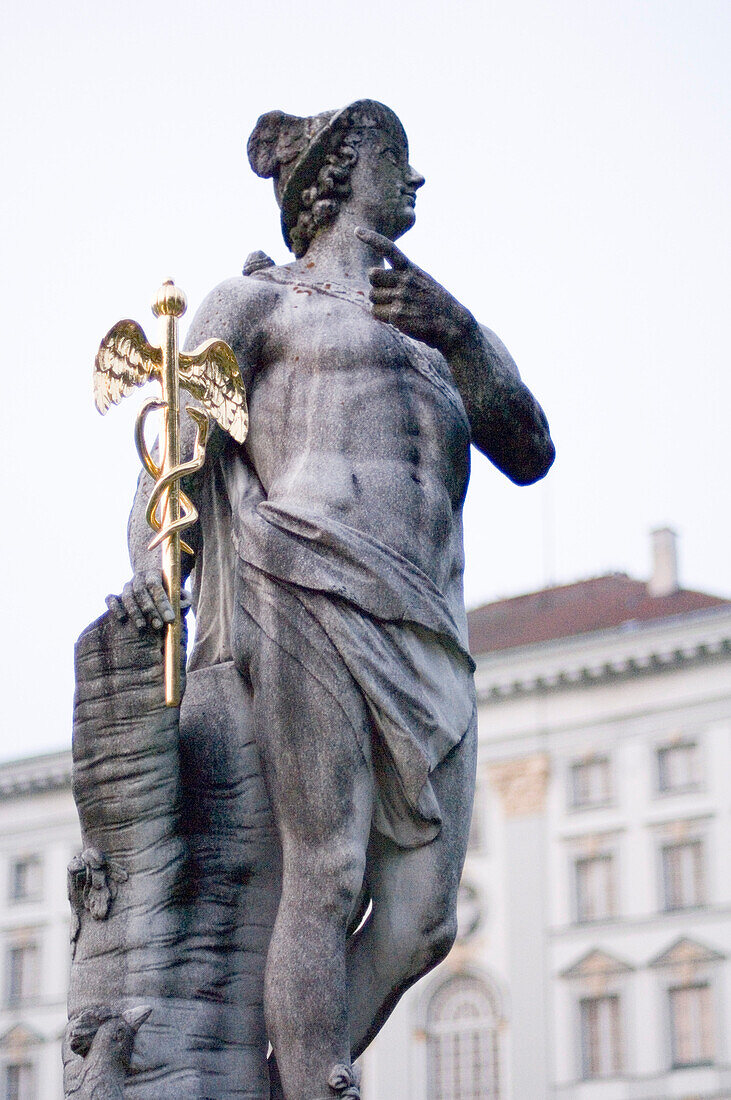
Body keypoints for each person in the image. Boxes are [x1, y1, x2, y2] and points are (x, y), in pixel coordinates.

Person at [117, 100, 554, 1100]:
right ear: (341, 169)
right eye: (397, 157)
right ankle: (318, 1082)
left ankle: (273, 1081)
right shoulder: (256, 304)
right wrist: (157, 561)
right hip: (304, 573)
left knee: (421, 917)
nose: (415, 180)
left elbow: (528, 447)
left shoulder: (439, 329)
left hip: (429, 626)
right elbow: (173, 446)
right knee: (328, 867)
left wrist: (460, 330)